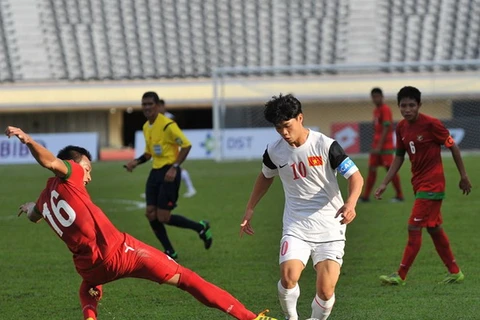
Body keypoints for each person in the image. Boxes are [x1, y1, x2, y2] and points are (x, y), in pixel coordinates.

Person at [5, 125, 276, 320]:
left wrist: (32, 206)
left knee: (88, 288)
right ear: (74, 165)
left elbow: (34, 215)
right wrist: (28, 140)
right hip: (121, 253)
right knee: (188, 279)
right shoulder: (71, 173)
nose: (88, 177)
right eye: (88, 170)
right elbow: (51, 161)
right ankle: (251, 318)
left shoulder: (43, 200)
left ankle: (90, 317)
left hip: (91, 269)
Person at [240, 94, 364, 320]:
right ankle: (291, 318)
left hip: (330, 226)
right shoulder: (274, 151)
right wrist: (250, 208)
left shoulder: (326, 145)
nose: (284, 133)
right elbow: (266, 176)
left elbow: (355, 177)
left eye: (287, 126)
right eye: (278, 129)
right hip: (296, 225)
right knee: (288, 277)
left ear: (300, 118)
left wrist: (350, 203)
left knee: (326, 291)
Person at [375, 86, 472, 285]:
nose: (407, 109)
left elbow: (453, 146)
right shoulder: (401, 127)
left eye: (412, 105)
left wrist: (463, 175)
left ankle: (400, 275)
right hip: (419, 184)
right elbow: (399, 157)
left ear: (419, 105)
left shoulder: (432, 124)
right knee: (434, 228)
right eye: (403, 105)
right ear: (399, 106)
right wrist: (385, 183)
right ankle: (455, 271)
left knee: (414, 226)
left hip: (433, 184)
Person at [125, 91, 211, 260]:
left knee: (163, 217)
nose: (147, 107)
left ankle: (201, 227)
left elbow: (186, 145)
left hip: (169, 173)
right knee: (150, 213)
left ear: (157, 106)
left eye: (150, 104)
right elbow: (149, 153)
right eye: (144, 104)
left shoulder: (168, 125)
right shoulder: (145, 127)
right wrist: (135, 162)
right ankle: (170, 251)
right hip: (155, 172)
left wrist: (175, 167)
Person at [359, 87, 404, 202]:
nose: (375, 99)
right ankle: (366, 196)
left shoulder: (385, 109)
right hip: (376, 146)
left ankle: (400, 196)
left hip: (385, 146)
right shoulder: (376, 110)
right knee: (372, 169)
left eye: (377, 96)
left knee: (391, 170)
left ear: (382, 97)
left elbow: (386, 127)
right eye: (373, 97)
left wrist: (379, 145)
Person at [158, 99, 197, 198]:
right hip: (163, 147)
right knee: (161, 168)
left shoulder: (170, 118)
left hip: (172, 147)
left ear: (163, 106)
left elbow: (174, 133)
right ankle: (154, 191)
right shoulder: (157, 118)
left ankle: (191, 188)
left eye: (159, 106)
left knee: (176, 168)